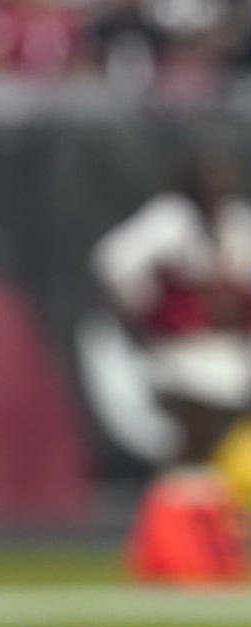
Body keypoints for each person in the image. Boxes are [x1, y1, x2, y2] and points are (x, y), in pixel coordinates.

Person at [88, 139, 251, 582]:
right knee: (191, 446)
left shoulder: (236, 222)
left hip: (228, 351)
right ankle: (170, 543)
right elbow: (114, 260)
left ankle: (195, 540)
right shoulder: (170, 220)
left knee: (208, 450)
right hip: (182, 352)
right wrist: (142, 317)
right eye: (210, 172)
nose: (220, 182)